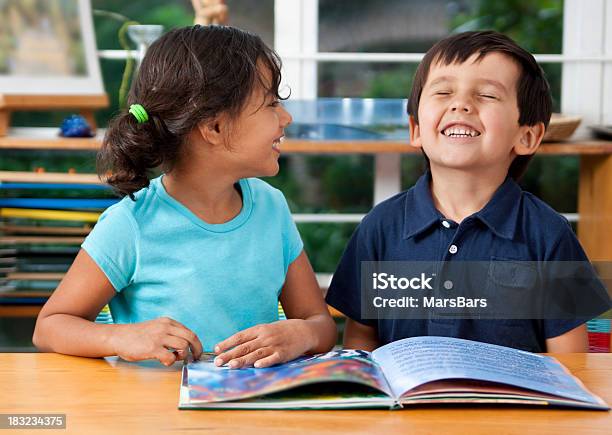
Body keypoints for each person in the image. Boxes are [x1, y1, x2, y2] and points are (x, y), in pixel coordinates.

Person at [33, 25, 336, 368]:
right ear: (214, 128)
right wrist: (121, 337)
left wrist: (302, 334)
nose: (286, 117)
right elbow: (49, 326)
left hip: (254, 413)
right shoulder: (131, 223)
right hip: (157, 418)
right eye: (271, 104)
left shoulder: (272, 207)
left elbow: (320, 324)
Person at [326, 30, 610, 353]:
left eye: (487, 95)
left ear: (528, 137)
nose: (460, 104)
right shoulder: (379, 228)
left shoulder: (550, 235)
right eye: (444, 92)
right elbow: (361, 341)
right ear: (416, 129)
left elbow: (571, 363)